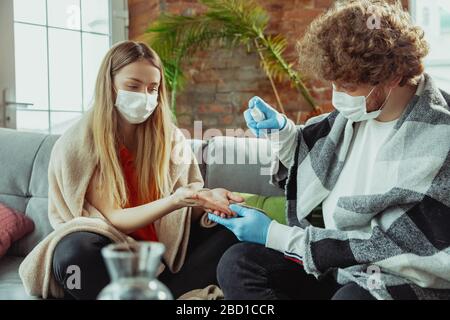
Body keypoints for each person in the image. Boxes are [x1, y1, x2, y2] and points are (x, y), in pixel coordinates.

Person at [209, 0, 450, 300]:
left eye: (347, 85)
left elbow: (392, 245)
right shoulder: (356, 116)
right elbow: (318, 156)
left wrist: (275, 234)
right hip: (339, 265)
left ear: (392, 76)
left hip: (399, 279)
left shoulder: (438, 139)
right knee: (238, 263)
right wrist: (282, 133)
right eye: (333, 83)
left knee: (351, 298)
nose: (337, 96)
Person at [47, 41, 243, 299]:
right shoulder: (82, 142)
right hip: (112, 255)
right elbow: (114, 217)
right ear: (109, 85)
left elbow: (184, 213)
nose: (145, 96)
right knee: (73, 252)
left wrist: (209, 199)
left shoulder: (168, 136)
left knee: (236, 225)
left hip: (169, 255)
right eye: (133, 86)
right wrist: (174, 201)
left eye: (153, 88)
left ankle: (160, 293)